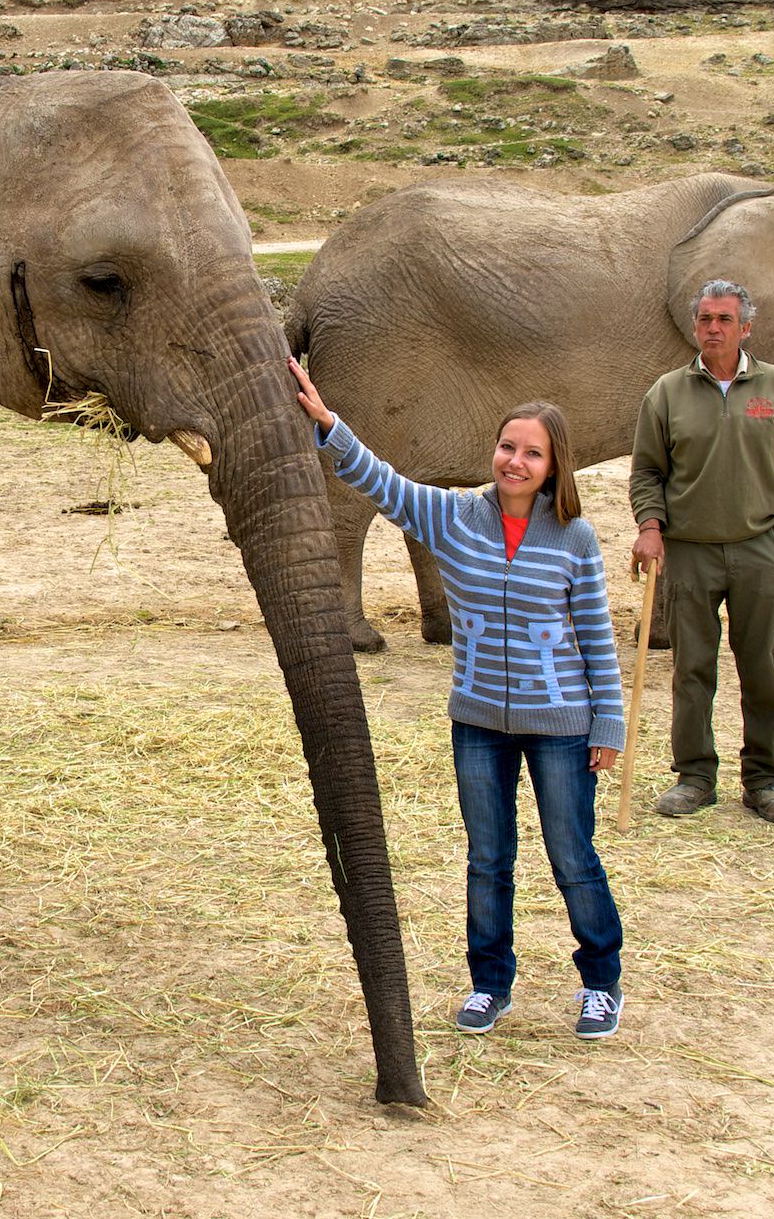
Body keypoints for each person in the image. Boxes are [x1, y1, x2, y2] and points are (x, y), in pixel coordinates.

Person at [290, 357, 627, 1041]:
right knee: (487, 856)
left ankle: (599, 981)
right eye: (508, 446)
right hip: (477, 723)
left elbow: (597, 635)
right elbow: (382, 483)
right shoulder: (453, 517)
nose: (515, 460)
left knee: (572, 855)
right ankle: (489, 984)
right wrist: (329, 426)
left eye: (532, 452)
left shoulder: (575, 537)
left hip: (561, 725)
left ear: (555, 464)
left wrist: (609, 722)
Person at [628, 279, 774, 826]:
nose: (713, 328)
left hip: (763, 551)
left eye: (724, 320)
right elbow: (647, 473)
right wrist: (650, 525)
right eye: (705, 319)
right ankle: (694, 778)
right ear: (695, 326)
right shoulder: (666, 393)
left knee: (763, 671)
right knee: (692, 671)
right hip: (688, 554)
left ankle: (764, 781)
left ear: (746, 328)